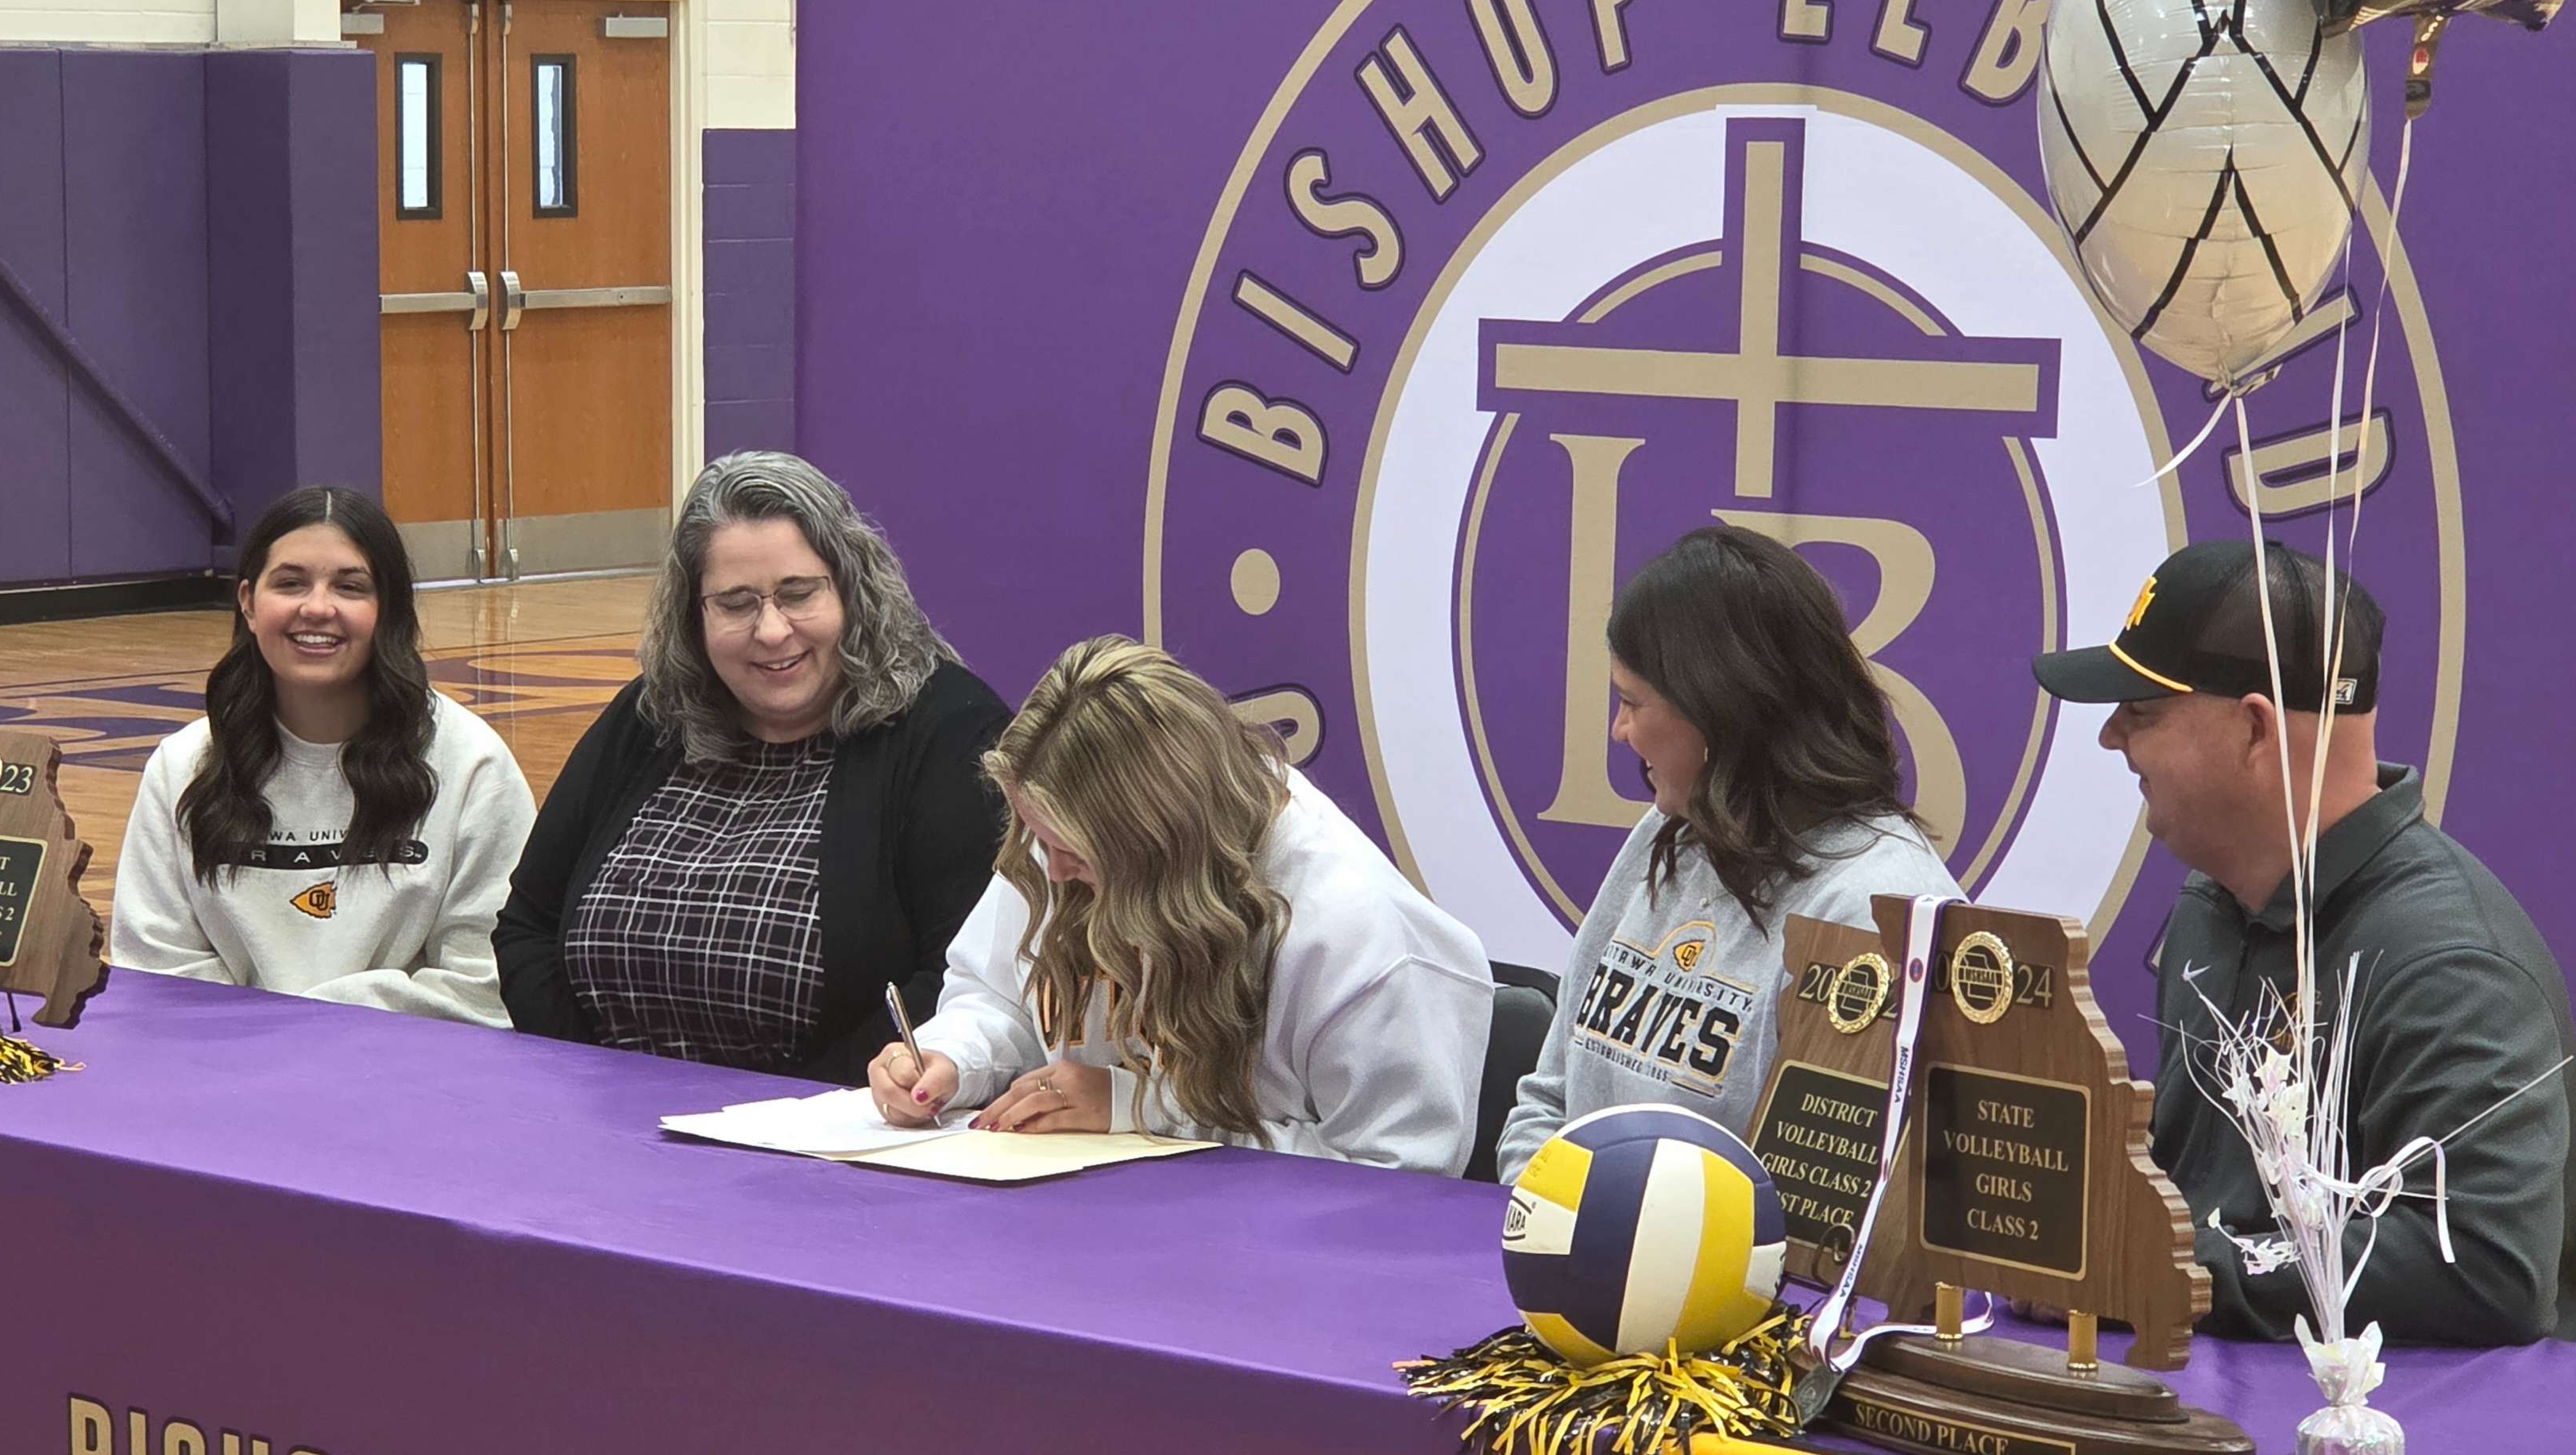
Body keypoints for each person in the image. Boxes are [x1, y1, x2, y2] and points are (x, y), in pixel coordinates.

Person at [2034, 538, 2570, 1345]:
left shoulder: (2453, 963)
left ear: (2254, 728)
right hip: (2201, 1403)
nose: (2113, 738)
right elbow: (2197, 1189)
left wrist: (2166, 1270)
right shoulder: (2211, 904)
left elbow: (2491, 1268)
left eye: (2141, 712)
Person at [866, 637, 1492, 1171]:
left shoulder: (1357, 932)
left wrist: (1139, 1112)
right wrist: (953, 1058)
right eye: (1041, 841)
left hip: (1287, 1277)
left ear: (1162, 841)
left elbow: (1399, 1183)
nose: (1052, 870)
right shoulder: (1071, 835)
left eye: (1072, 854)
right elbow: (1000, 993)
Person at [494, 452, 1010, 1082]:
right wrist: (600, 1087)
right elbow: (528, 927)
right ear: (695, 615)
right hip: (609, 1127)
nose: (771, 630)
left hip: (828, 1136)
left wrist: (783, 1113)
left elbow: (964, 978)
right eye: (735, 603)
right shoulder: (651, 716)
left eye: (798, 594)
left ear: (852, 589)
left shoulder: (949, 729)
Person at [1500, 526, 1961, 1183]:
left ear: (1719, 708)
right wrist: (1554, 1221)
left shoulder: (1876, 909)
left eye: (1632, 702)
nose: (1619, 730)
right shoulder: (1669, 832)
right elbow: (1547, 1102)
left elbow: (1836, 1210)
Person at [114, 484, 535, 1023]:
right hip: (228, 1079)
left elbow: (484, 979)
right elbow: (154, 968)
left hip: (409, 1079)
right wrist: (269, 1045)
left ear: (388, 609)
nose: (317, 608)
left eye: (350, 587)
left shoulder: (472, 764)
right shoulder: (183, 766)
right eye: (290, 583)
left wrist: (313, 1025)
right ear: (248, 602)